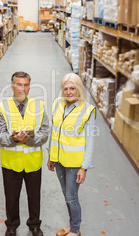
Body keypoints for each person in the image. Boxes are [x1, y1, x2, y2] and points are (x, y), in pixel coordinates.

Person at [0, 71, 50, 236]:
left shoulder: (38, 106)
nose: (22, 88)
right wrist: (14, 139)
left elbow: (45, 132)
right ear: (12, 86)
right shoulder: (2, 108)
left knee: (34, 197)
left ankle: (34, 225)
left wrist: (29, 141)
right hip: (11, 162)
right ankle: (12, 226)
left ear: (29, 86)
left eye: (26, 85)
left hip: (33, 161)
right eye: (19, 84)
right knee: (11, 198)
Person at [47, 73, 96, 236]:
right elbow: (54, 132)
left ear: (79, 89)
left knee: (71, 197)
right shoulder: (57, 104)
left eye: (72, 88)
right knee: (66, 195)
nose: (69, 92)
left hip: (75, 163)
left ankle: (75, 230)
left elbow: (90, 141)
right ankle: (71, 225)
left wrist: (84, 167)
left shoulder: (87, 110)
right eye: (66, 88)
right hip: (59, 160)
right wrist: (51, 156)